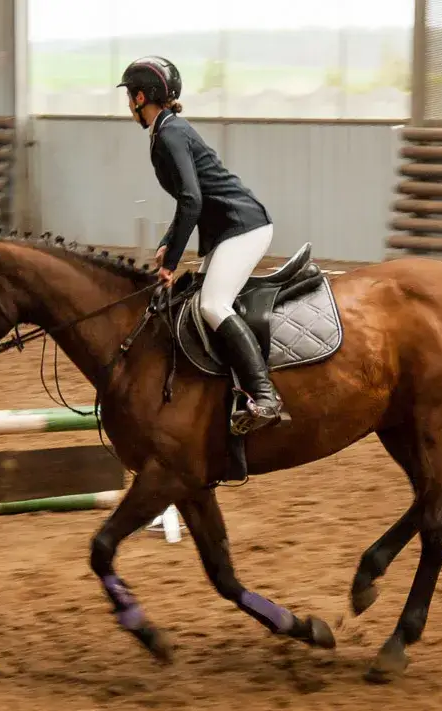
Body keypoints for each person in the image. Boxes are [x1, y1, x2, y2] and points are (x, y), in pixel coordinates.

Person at [116, 56, 285, 434]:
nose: (129, 104)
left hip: (244, 227)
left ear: (142, 97)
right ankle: (228, 390)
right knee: (197, 304)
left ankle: (266, 396)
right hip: (229, 229)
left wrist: (171, 261)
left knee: (212, 304)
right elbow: (188, 198)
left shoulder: (170, 133)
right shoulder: (167, 130)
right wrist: (167, 242)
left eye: (130, 96)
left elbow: (192, 199)